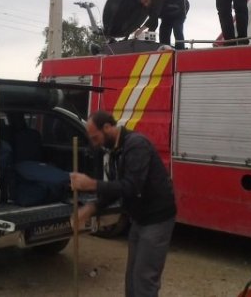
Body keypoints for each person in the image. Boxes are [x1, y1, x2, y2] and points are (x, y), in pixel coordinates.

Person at [70, 111, 176, 297]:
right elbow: (118, 188)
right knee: (133, 278)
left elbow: (131, 186)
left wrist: (91, 184)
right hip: (140, 219)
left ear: (107, 128)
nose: (95, 144)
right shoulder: (117, 150)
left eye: (96, 138)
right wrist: (90, 209)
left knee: (145, 279)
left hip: (156, 220)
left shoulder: (136, 145)